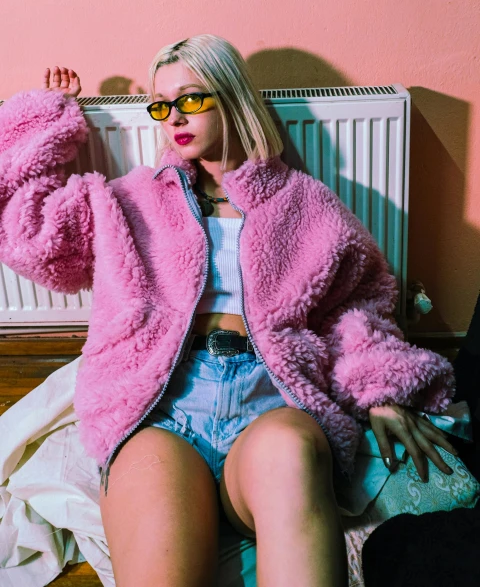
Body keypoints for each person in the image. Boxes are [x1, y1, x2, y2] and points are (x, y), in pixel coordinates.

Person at [0, 34, 458, 587]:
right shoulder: (131, 196)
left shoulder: (305, 203)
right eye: (163, 105)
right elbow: (31, 239)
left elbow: (358, 302)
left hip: (271, 400)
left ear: (232, 95)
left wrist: (381, 391)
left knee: (290, 454)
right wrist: (46, 123)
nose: (175, 117)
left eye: (191, 99)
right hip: (160, 408)